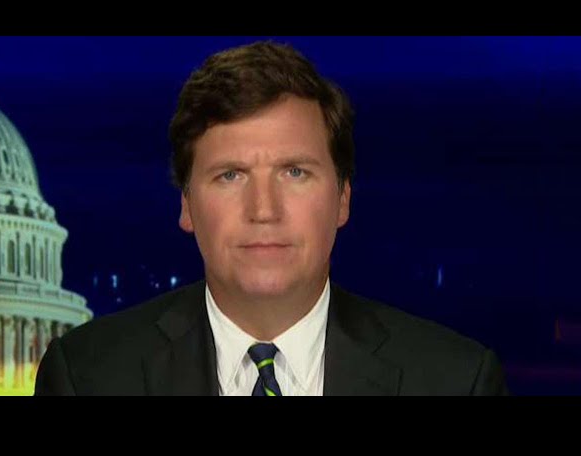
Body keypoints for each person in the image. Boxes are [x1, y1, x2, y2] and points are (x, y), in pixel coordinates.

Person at [34, 40, 509, 396]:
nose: (264, 210)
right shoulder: (86, 378)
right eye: (231, 175)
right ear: (187, 205)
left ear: (343, 198)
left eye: (295, 172)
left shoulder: (456, 381)